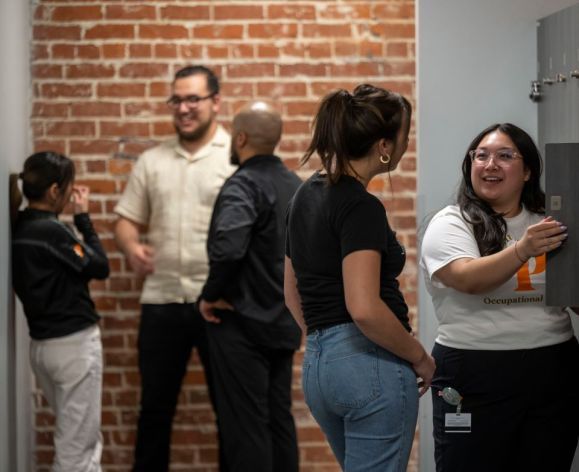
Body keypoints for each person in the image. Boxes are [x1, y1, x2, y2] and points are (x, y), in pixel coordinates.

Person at [284, 84, 436, 472]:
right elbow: (365, 307)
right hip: (368, 367)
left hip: (320, 368)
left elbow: (291, 292)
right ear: (384, 145)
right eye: (405, 136)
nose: (406, 146)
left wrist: (330, 344)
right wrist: (419, 356)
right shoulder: (360, 206)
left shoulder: (305, 194)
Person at [420, 123, 579, 472]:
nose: (490, 164)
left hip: (552, 369)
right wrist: (523, 249)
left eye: (505, 156)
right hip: (473, 372)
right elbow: (467, 278)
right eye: (481, 155)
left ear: (527, 172)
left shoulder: (552, 222)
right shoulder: (451, 223)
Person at [114, 65, 235, 472]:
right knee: (154, 411)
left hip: (219, 303)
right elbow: (126, 220)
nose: (183, 108)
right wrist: (131, 246)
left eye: (193, 99)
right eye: (177, 100)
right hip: (162, 301)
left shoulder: (235, 157)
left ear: (215, 102)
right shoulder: (151, 161)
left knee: (230, 414)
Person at [198, 101, 302, 472]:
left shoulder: (242, 184)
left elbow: (228, 248)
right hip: (284, 323)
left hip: (242, 325)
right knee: (279, 420)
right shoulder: (296, 186)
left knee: (246, 428)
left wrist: (210, 296)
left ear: (240, 137)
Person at [10, 151, 109, 472]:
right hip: (73, 349)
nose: (70, 194)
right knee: (76, 452)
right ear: (55, 191)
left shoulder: (20, 226)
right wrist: (83, 218)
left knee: (81, 440)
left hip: (43, 348)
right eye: (69, 187)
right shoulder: (50, 230)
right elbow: (99, 266)